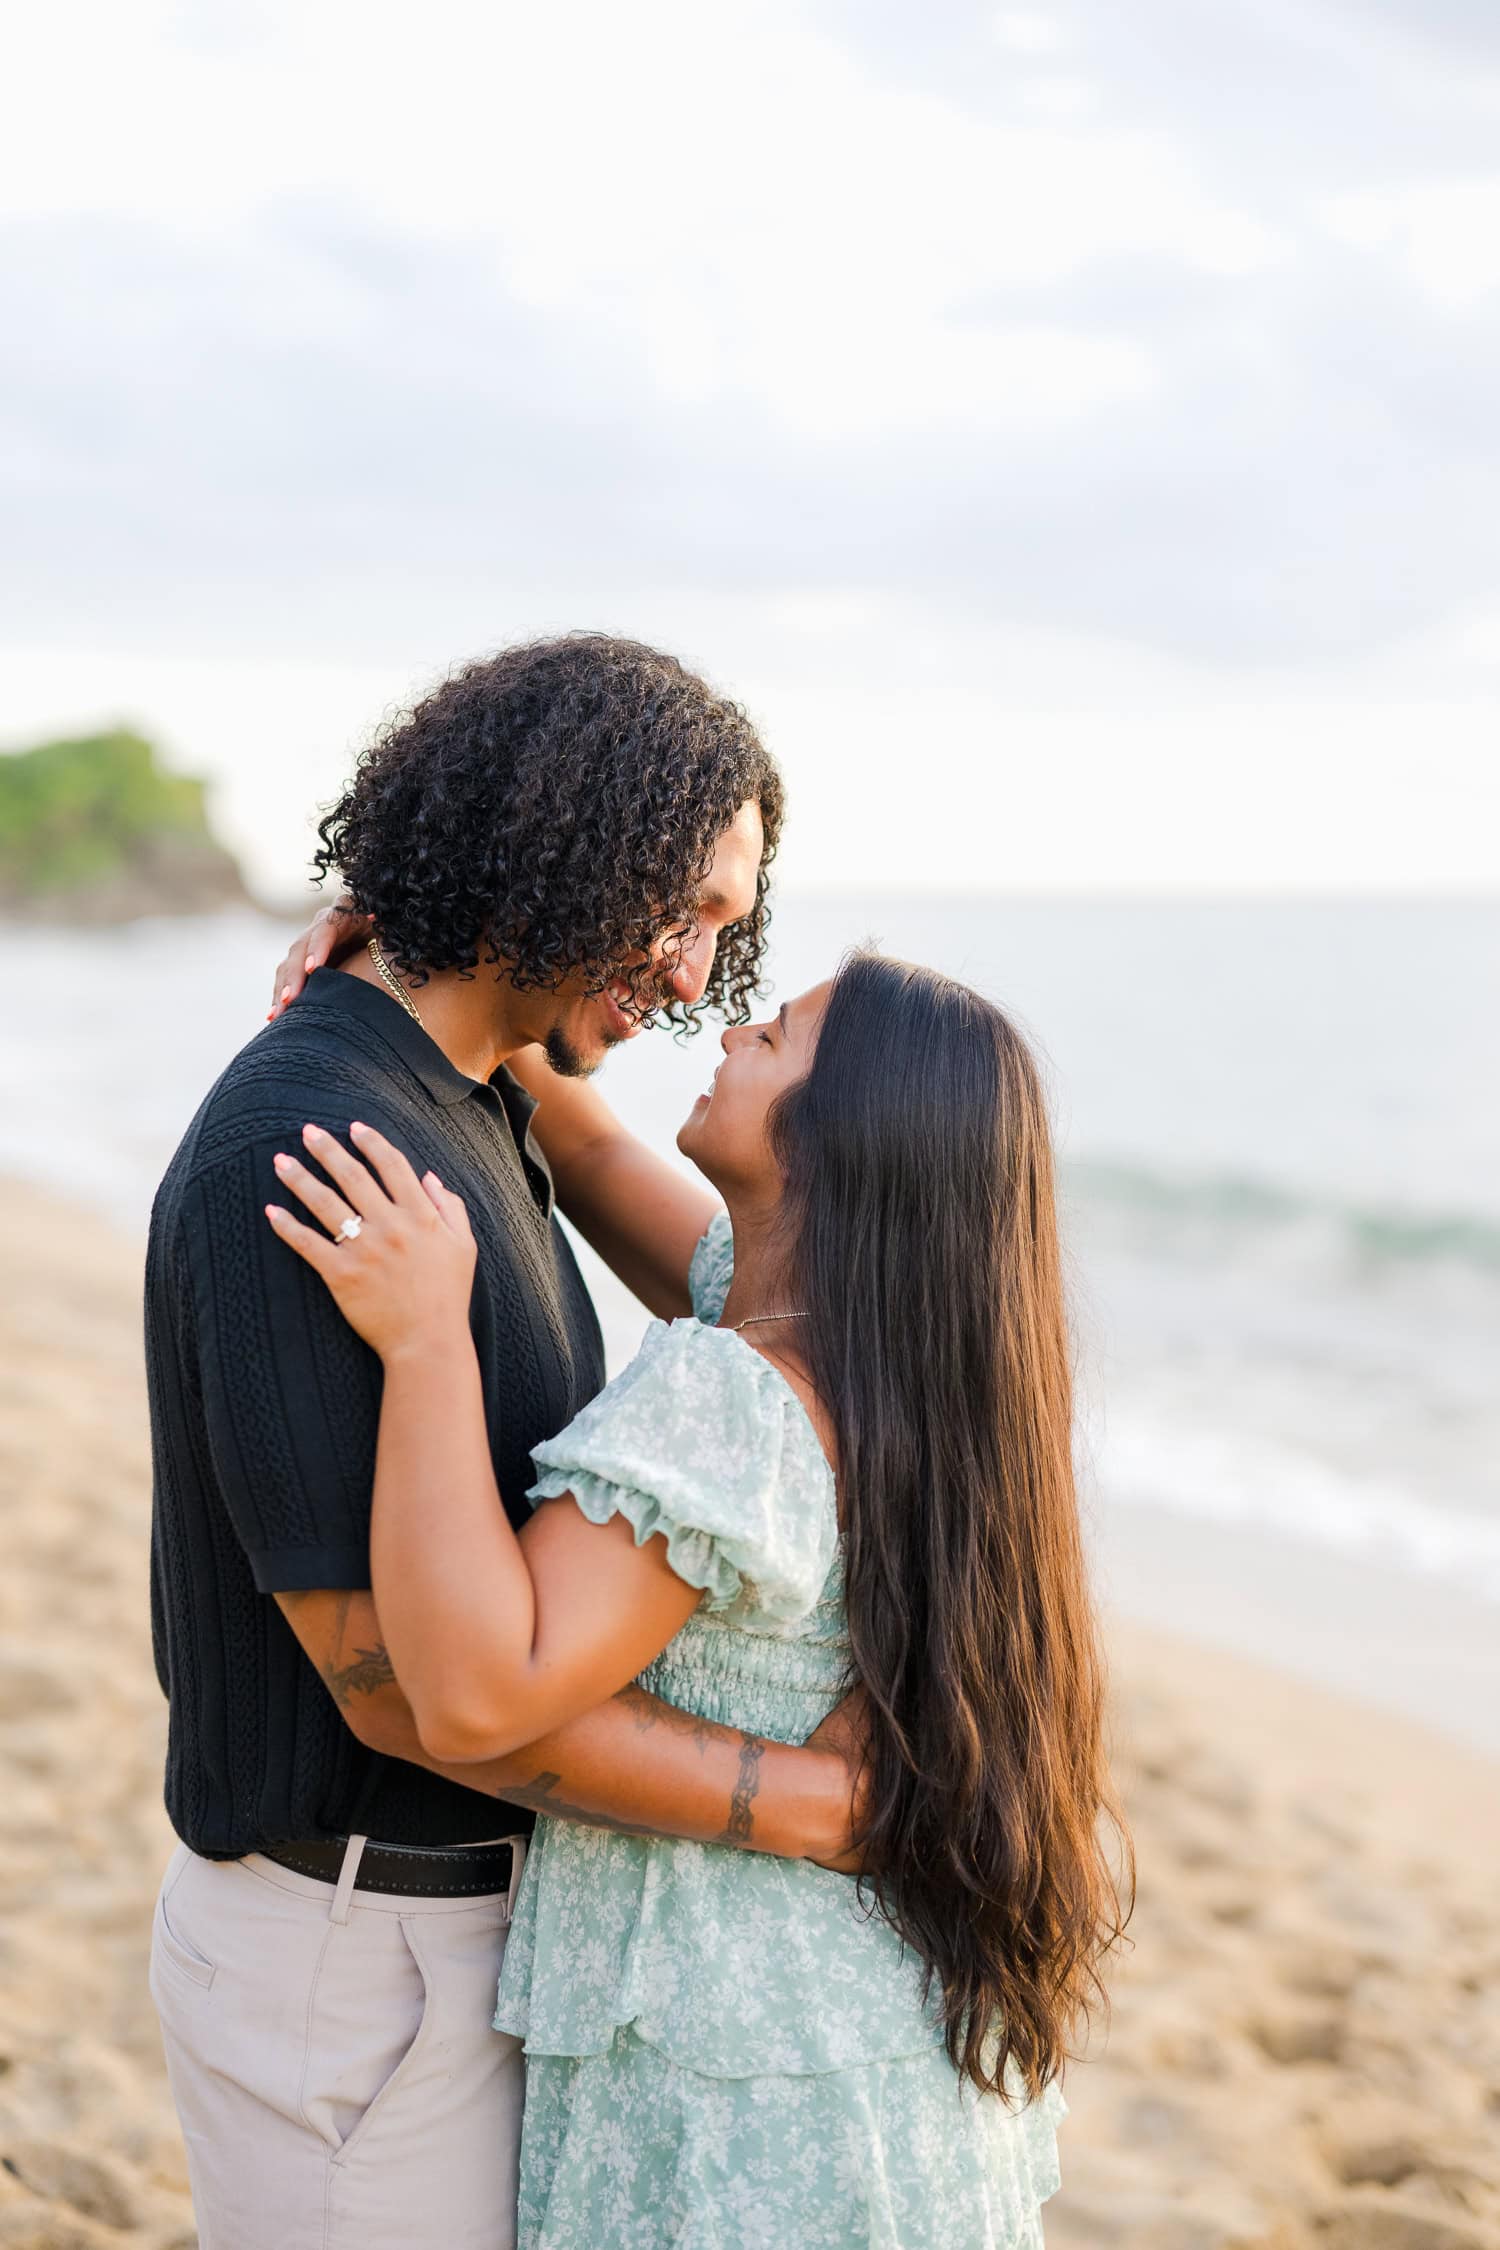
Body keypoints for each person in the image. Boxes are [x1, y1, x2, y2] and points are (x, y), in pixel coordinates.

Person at [143, 634, 863, 2250]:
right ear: (564, 840)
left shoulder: (470, 1087)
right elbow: (404, 1692)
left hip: (458, 1945)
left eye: (726, 938)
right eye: (683, 913)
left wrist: (417, 944)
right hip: (350, 1962)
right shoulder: (318, 1152)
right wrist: (808, 1803)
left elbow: (612, 1150)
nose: (695, 978)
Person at [266, 949, 1132, 2249]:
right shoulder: (894, 1358)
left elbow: (476, 1686)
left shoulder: (732, 1393)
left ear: (838, 1143)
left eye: (774, 1034)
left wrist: (426, 1336)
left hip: (732, 2076)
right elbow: (602, 1156)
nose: (732, 1029)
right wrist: (431, 952)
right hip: (877, 2051)